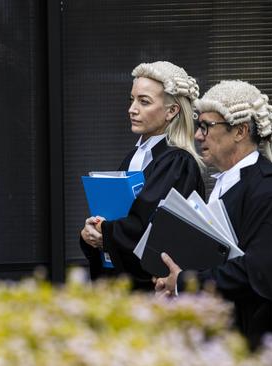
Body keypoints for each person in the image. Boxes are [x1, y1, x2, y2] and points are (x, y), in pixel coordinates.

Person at [154, 80, 272, 365]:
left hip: (267, 348)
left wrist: (188, 282)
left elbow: (261, 273)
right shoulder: (233, 185)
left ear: (240, 131)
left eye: (206, 126)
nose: (199, 136)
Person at [79, 61, 205, 291]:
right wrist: (92, 231)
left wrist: (105, 234)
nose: (132, 109)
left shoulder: (178, 162)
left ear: (172, 111)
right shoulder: (136, 156)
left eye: (144, 101)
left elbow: (150, 227)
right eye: (132, 99)